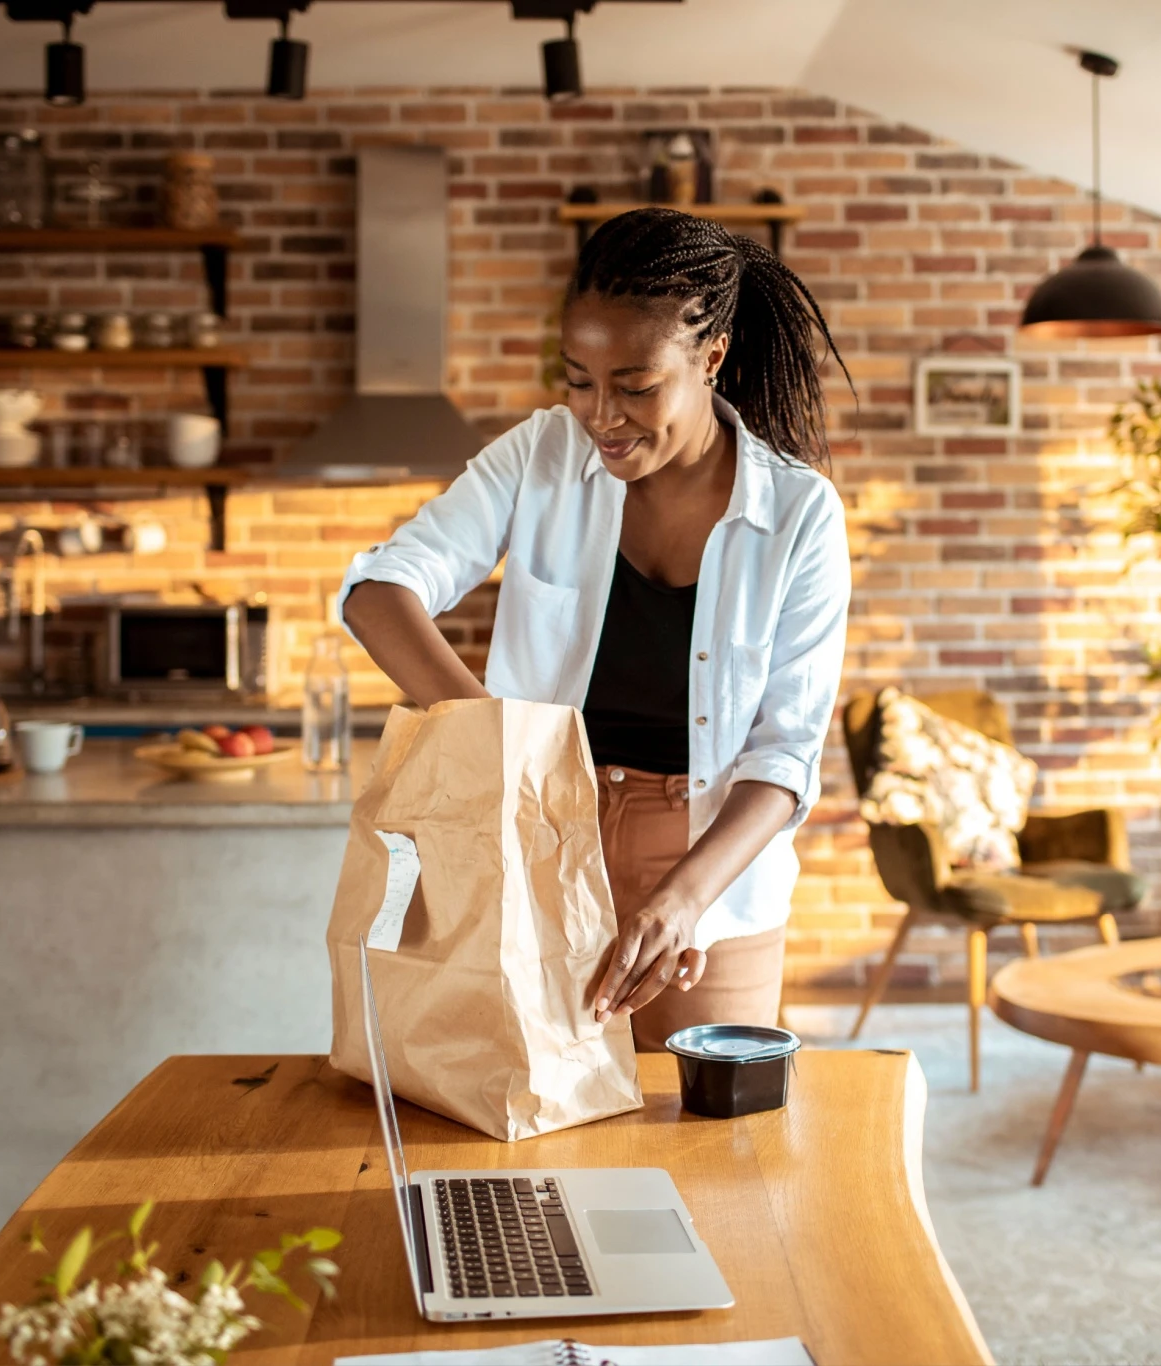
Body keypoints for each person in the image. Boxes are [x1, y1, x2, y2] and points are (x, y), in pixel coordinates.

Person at [338, 207, 852, 1051]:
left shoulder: (797, 514)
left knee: (705, 1145)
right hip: (539, 834)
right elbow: (379, 590)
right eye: (578, 379)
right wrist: (495, 749)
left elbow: (785, 755)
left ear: (711, 357)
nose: (601, 415)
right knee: (523, 1123)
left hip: (711, 865)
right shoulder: (539, 456)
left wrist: (687, 898)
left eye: (636, 386)